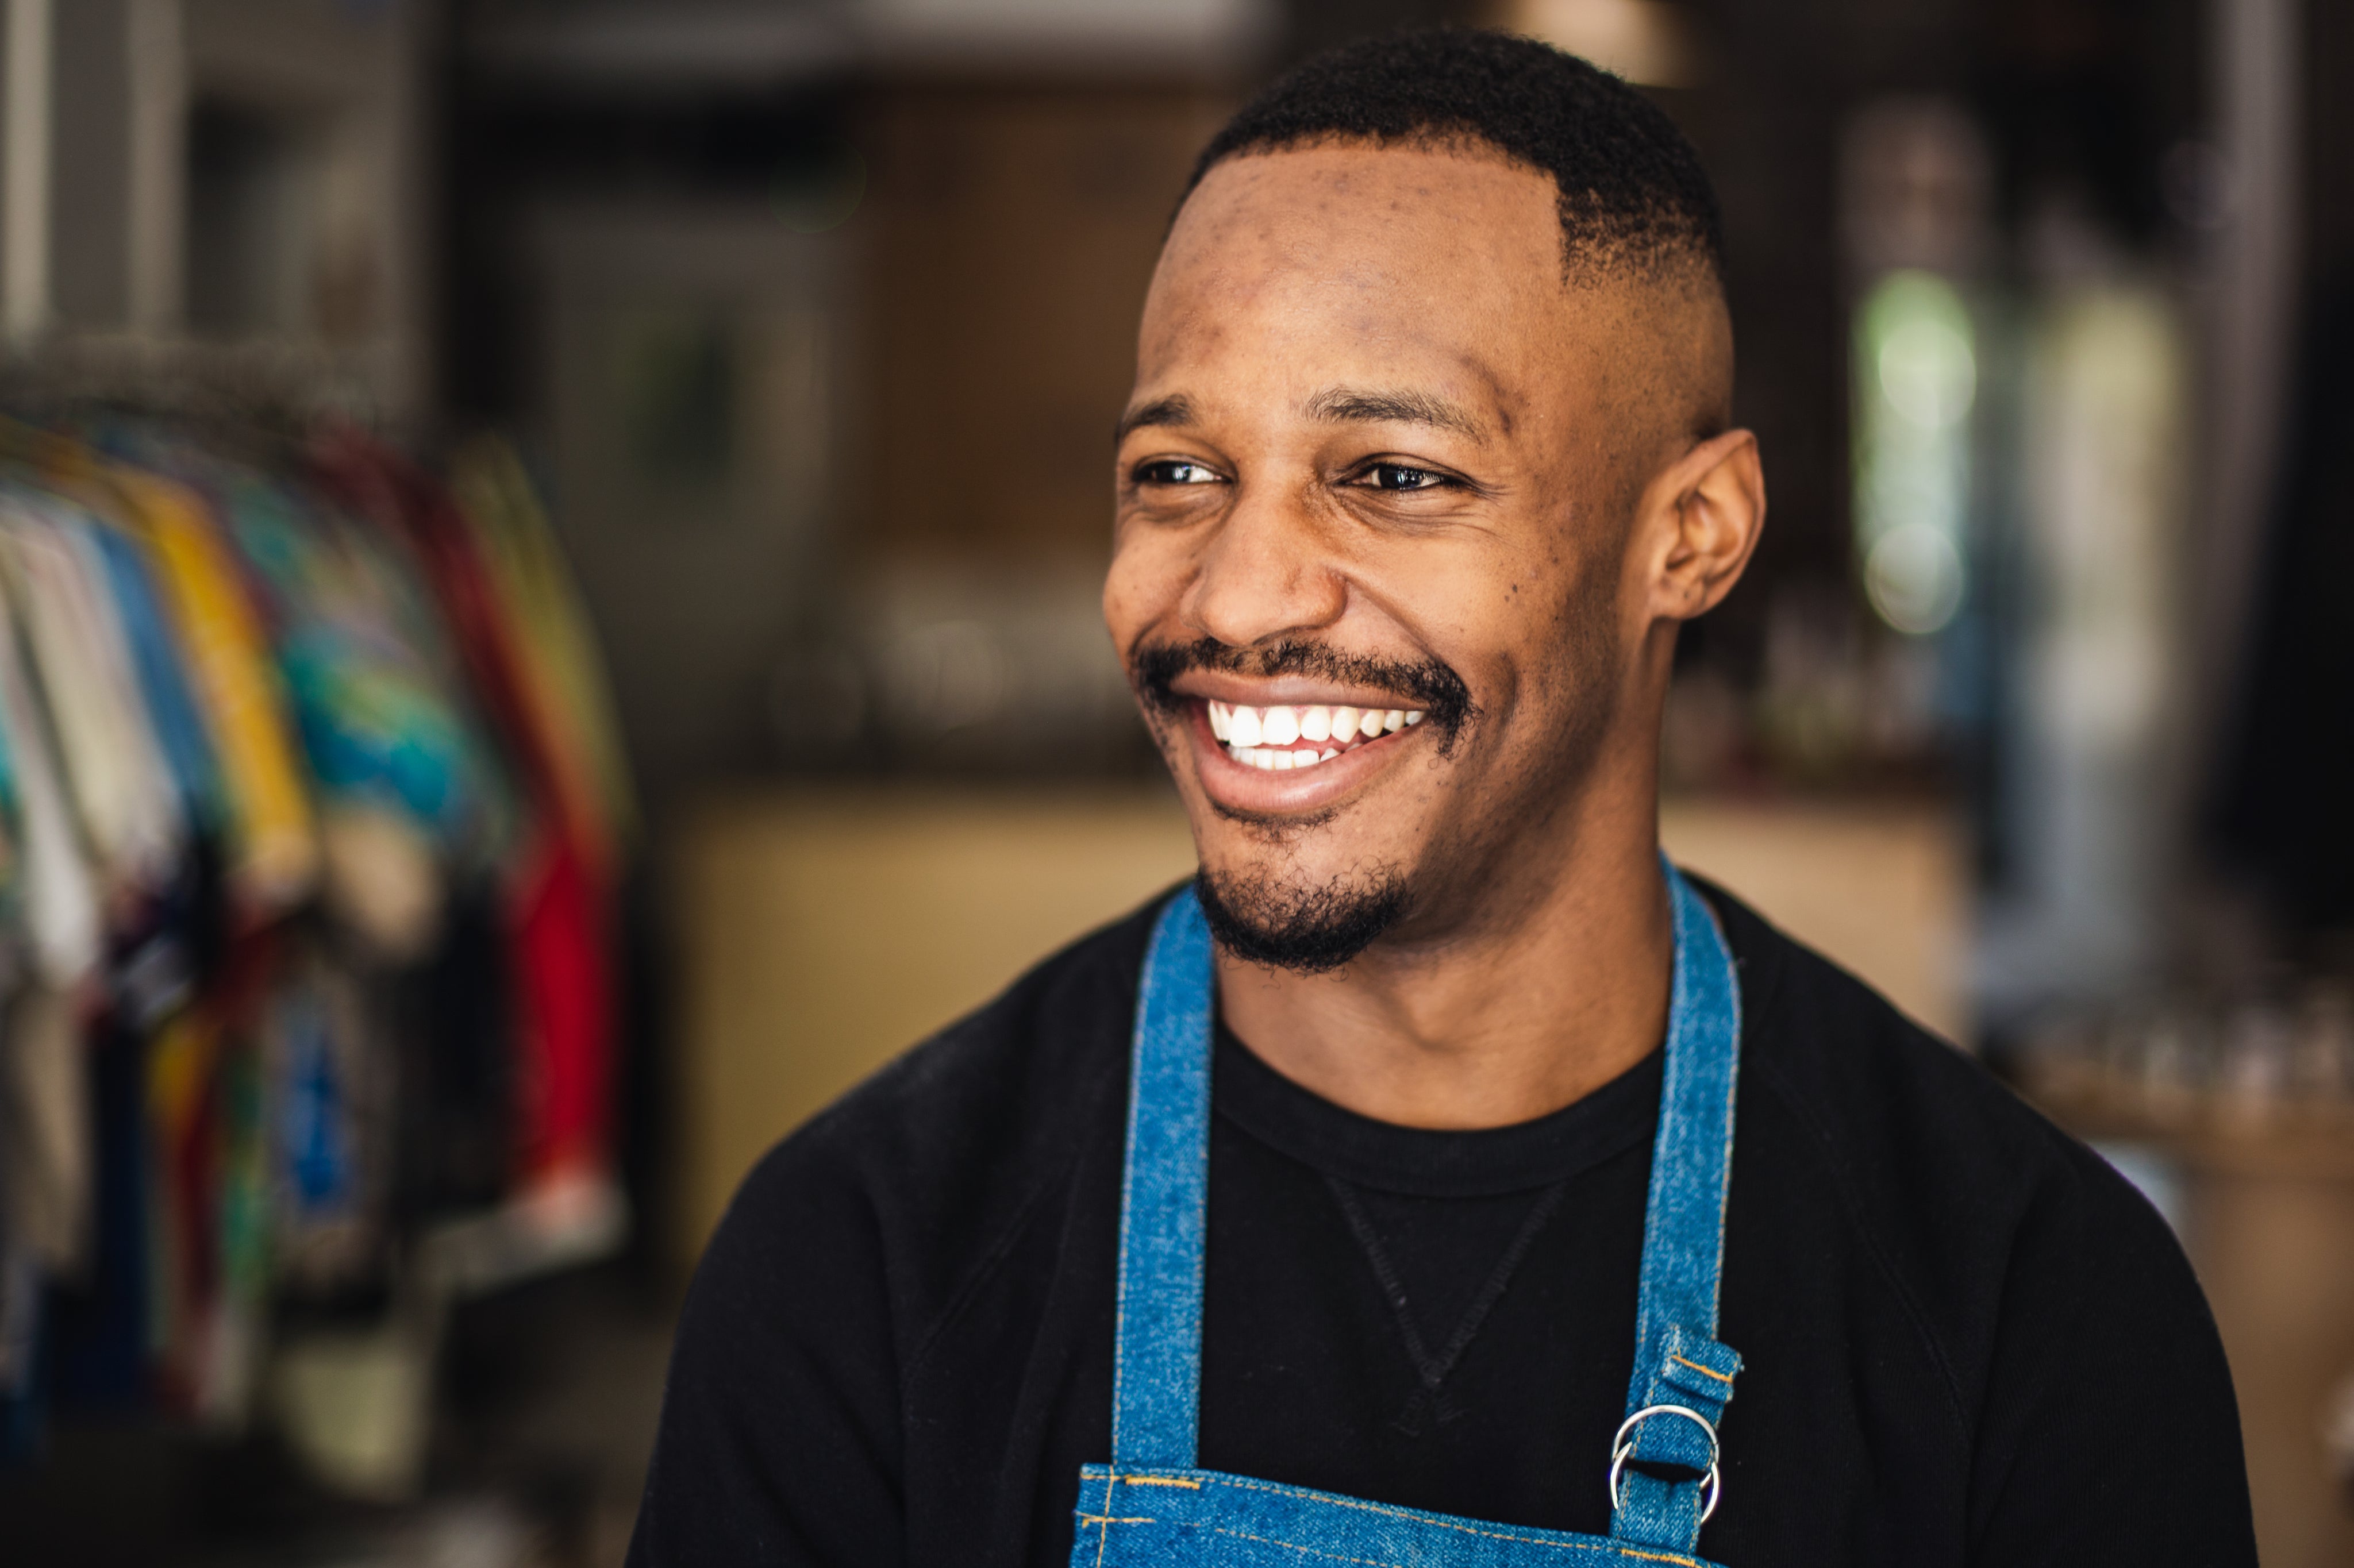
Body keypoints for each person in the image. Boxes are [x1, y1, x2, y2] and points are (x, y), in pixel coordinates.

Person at [628, 29, 2256, 1568]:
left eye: (1395, 477)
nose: (1243, 593)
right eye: (1177, 474)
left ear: (1688, 535)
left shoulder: (2033, 1310)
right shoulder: (858, 1269)